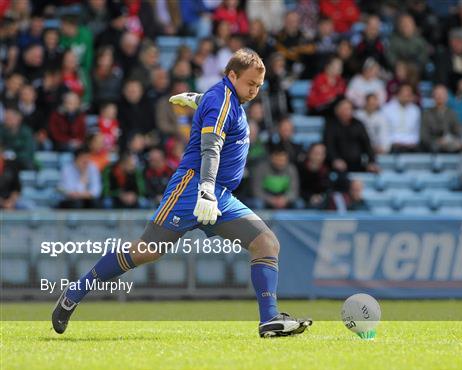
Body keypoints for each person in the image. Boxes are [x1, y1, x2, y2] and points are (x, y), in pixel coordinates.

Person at [52, 49, 312, 338]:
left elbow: (215, 106)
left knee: (266, 243)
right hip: (192, 188)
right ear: (232, 76)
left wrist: (197, 101)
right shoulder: (224, 100)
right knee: (147, 251)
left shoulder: (227, 98)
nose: (255, 90)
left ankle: (269, 320)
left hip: (218, 192)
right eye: (251, 84)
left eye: (259, 86)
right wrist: (205, 190)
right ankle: (75, 292)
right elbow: (210, 147)